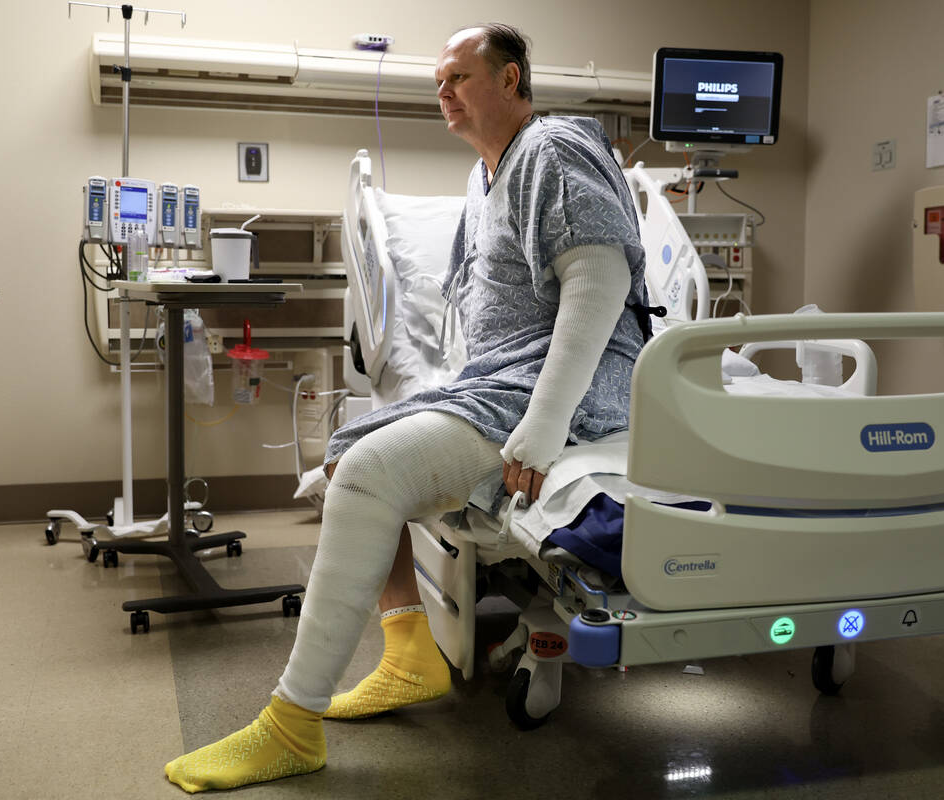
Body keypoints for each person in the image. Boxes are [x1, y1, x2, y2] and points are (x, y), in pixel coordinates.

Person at [164, 22, 650, 792]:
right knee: (351, 442)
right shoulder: (484, 180)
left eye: (458, 77)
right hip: (495, 381)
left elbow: (599, 285)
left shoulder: (553, 149)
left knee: (367, 472)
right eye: (437, 83)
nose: (443, 93)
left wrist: (544, 427)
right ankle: (409, 654)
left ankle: (293, 724)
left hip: (566, 391)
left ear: (512, 80)